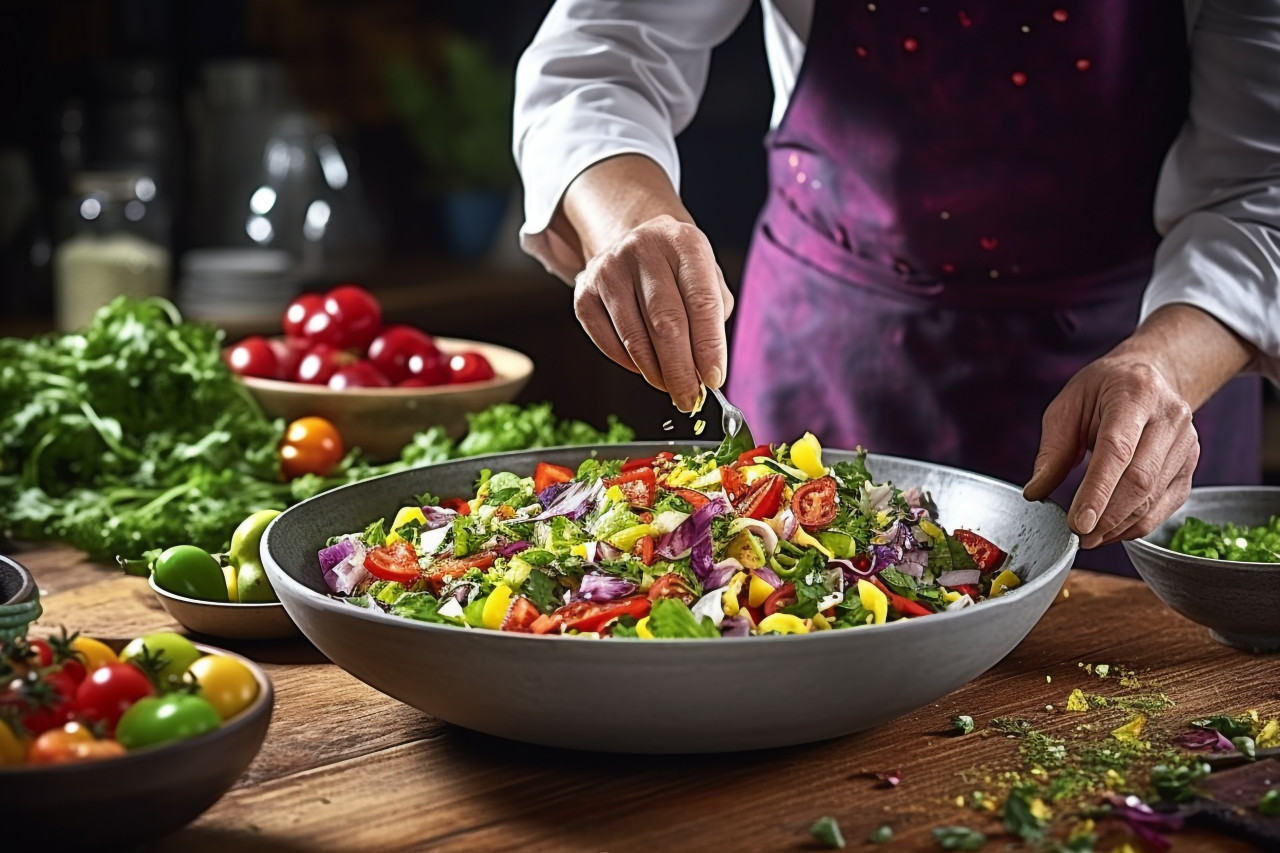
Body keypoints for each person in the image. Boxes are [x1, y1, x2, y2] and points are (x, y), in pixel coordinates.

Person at [512, 0, 1280, 571]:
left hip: (1135, 366)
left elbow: (1264, 188)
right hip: (826, 342)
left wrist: (1168, 366)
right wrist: (629, 218)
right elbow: (603, 54)